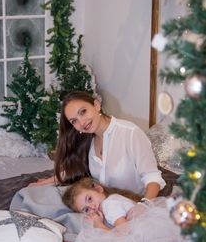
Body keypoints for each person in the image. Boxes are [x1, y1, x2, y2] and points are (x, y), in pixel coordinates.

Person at [30, 91, 166, 212]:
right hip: (100, 206)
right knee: (43, 200)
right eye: (74, 121)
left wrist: (143, 206)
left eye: (83, 112)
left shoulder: (130, 133)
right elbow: (77, 167)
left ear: (96, 105)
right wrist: (49, 181)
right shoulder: (86, 140)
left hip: (132, 206)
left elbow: (153, 178)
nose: (82, 122)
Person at [62, 177, 181, 242]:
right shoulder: (112, 201)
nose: (92, 206)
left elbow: (123, 234)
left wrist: (99, 224)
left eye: (89, 199)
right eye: (86, 209)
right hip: (153, 235)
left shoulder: (110, 204)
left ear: (98, 189)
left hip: (151, 235)